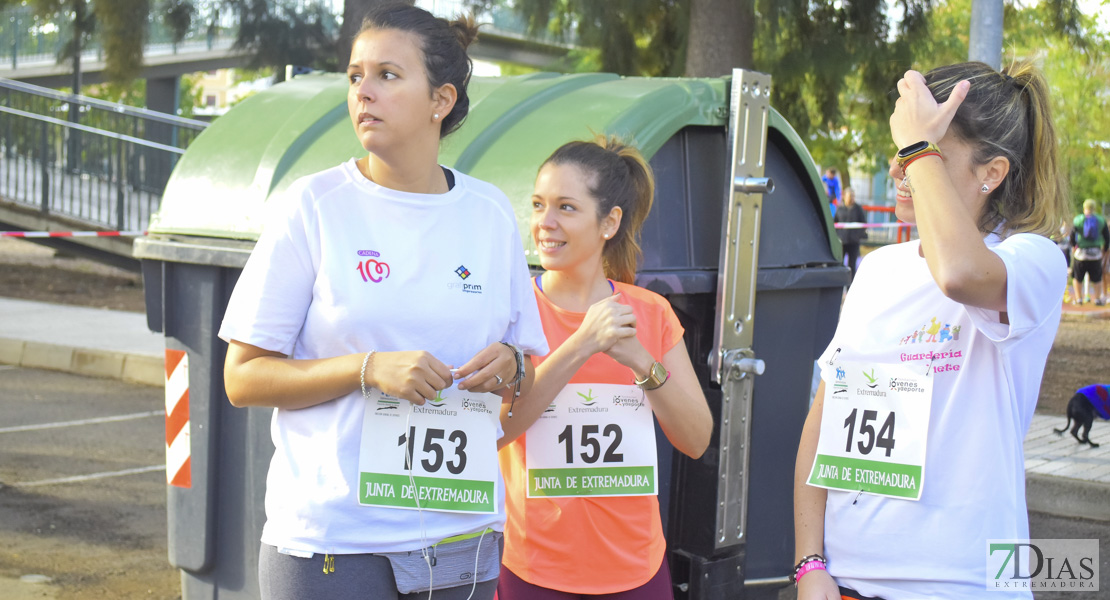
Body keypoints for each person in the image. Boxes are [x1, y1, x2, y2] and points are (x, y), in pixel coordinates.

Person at [217, 4, 547, 599]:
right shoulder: (313, 206)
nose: (363, 91)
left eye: (387, 76)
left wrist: (514, 366)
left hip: (459, 543)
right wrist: (367, 370)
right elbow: (242, 378)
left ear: (440, 101)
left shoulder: (491, 212)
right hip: (333, 546)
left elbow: (526, 368)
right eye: (354, 75)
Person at [794, 60, 1068, 600]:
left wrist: (919, 145)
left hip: (965, 584)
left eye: (925, 150)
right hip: (846, 582)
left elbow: (959, 274)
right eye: (902, 148)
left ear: (991, 173)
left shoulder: (1032, 259)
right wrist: (809, 562)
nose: (901, 168)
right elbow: (824, 424)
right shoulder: (878, 269)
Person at [496, 137, 714, 599]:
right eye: (538, 205)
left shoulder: (650, 313)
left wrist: (641, 361)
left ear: (609, 222)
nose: (544, 224)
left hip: (637, 574)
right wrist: (581, 345)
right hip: (532, 574)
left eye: (566, 208)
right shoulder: (510, 312)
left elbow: (696, 440)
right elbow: (496, 432)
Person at [1068, 198, 1108, 305]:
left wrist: (1074, 246)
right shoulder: (1101, 220)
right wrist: (1104, 250)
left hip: (1081, 254)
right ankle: (1098, 299)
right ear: (1094, 208)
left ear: (1084, 208)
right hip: (1095, 254)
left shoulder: (1078, 219)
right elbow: (1107, 237)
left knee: (1077, 277)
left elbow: (1072, 235)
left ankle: (1078, 298)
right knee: (1097, 277)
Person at [832, 187, 867, 281]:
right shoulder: (840, 208)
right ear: (844, 196)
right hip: (842, 241)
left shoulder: (858, 209)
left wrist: (857, 235)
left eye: (853, 196)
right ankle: (839, 284)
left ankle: (849, 287)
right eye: (850, 196)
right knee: (840, 264)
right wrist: (837, 237)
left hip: (853, 242)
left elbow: (863, 224)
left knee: (852, 265)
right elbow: (835, 223)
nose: (851, 198)